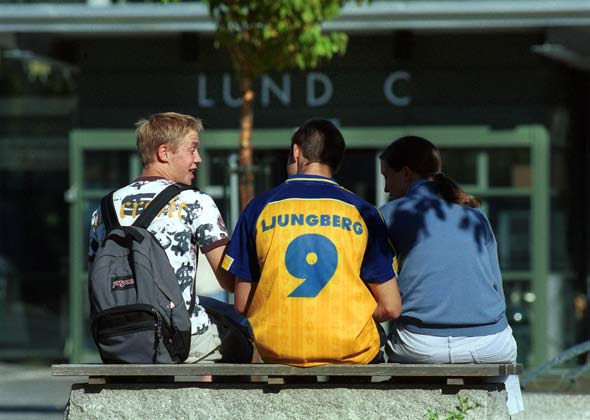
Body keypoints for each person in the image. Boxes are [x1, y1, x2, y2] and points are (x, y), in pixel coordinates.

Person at [221, 118, 402, 367]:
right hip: (350, 351)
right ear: (336, 163)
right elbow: (391, 308)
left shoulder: (258, 209)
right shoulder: (363, 212)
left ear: (297, 152)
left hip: (278, 350)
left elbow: (242, 304)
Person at [88, 112, 252, 364]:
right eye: (192, 150)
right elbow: (229, 280)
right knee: (248, 329)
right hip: (180, 338)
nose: (198, 159)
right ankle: (218, 403)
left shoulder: (105, 207)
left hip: (119, 338)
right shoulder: (194, 201)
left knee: (208, 307)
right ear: (164, 153)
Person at [379, 135, 522, 414]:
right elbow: (496, 287)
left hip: (420, 345)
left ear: (406, 174)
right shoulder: (476, 216)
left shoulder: (387, 214)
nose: (385, 187)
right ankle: (509, 414)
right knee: (506, 345)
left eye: (388, 177)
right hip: (490, 344)